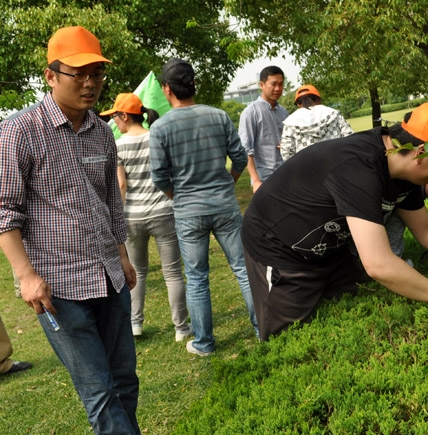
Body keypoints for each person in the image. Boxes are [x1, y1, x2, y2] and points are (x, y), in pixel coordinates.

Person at [241, 101, 428, 341]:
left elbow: (426, 230)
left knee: (347, 312)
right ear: (422, 154)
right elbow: (379, 265)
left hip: (328, 247)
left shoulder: (404, 174)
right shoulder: (359, 169)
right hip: (279, 247)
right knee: (288, 338)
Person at [0, 26, 140, 434]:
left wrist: (121, 255)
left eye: (96, 73)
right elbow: (5, 210)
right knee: (100, 393)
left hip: (109, 278)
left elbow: (111, 200)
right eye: (78, 74)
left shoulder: (102, 131)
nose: (89, 83)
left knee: (125, 382)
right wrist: (26, 276)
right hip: (58, 287)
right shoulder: (20, 131)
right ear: (50, 75)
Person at [149, 58, 258, 357]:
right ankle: (262, 328)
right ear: (193, 84)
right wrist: (228, 182)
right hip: (224, 205)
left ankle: (204, 343)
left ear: (167, 89)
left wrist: (177, 195)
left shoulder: (160, 127)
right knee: (244, 269)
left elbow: (159, 176)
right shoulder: (219, 116)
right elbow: (239, 158)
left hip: (188, 211)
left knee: (197, 278)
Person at [100, 93, 191, 341]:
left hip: (133, 217)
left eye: (114, 117)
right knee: (172, 273)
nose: (113, 122)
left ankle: (135, 324)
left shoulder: (118, 145)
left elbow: (121, 184)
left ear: (124, 116)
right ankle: (181, 328)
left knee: (137, 273)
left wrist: (117, 216)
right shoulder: (156, 138)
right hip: (164, 212)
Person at [238, 65, 288, 192]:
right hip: (264, 179)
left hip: (286, 175)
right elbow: (246, 150)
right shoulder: (251, 112)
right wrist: (256, 181)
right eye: (273, 84)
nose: (278, 88)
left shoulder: (283, 112)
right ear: (262, 84)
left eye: (281, 84)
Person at [280, 84, 353, 161]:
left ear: (298, 104)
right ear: (318, 100)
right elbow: (350, 137)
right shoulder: (334, 114)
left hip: (307, 166)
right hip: (337, 162)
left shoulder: (291, 122)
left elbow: (286, 153)